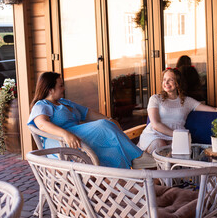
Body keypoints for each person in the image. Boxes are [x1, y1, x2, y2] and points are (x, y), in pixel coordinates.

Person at [27, 72, 156, 169]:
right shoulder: (42, 105)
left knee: (113, 151)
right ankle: (138, 157)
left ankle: (122, 187)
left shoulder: (65, 102)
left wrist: (110, 119)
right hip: (62, 143)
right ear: (50, 89)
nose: (64, 88)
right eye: (60, 86)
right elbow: (42, 125)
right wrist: (65, 134)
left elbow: (87, 113)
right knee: (103, 125)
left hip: (78, 139)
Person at [138, 68, 217, 154]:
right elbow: (155, 124)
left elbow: (214, 109)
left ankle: (172, 174)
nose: (166, 83)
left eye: (170, 80)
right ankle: (163, 174)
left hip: (176, 137)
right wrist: (178, 135)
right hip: (155, 135)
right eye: (164, 80)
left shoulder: (187, 101)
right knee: (160, 145)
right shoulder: (155, 99)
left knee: (178, 149)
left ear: (178, 83)